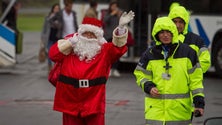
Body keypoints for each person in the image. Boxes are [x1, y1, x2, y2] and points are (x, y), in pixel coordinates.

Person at [49, 11, 135, 125]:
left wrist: (121, 28)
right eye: (86, 33)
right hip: (70, 101)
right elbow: (53, 55)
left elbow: (118, 48)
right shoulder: (70, 47)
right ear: (80, 34)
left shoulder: (103, 51)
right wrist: (69, 43)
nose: (89, 36)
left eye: (92, 34)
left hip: (94, 102)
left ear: (97, 36)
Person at [134, 17, 205, 124]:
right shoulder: (149, 54)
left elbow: (196, 80)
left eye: (168, 31)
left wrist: (199, 103)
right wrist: (149, 86)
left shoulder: (188, 53)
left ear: (173, 32)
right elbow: (140, 74)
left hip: (179, 113)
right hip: (155, 113)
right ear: (156, 34)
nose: (165, 35)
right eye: (161, 32)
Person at [168, 5, 211, 73]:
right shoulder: (164, 39)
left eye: (181, 22)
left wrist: (188, 73)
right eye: (175, 22)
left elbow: (205, 62)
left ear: (186, 23)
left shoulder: (197, 40)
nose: (177, 25)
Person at [103, 1, 123, 77]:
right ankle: (109, 69)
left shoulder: (119, 13)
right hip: (109, 36)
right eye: (113, 6)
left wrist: (119, 16)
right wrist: (112, 14)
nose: (114, 8)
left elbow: (122, 23)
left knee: (116, 54)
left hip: (117, 36)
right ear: (110, 7)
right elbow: (104, 21)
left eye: (115, 6)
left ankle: (115, 69)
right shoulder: (108, 14)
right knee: (109, 55)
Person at [41, 3, 60, 72]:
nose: (57, 10)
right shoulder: (48, 18)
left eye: (58, 9)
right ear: (53, 9)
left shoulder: (60, 18)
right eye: (55, 8)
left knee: (56, 54)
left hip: (57, 38)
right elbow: (44, 29)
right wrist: (42, 39)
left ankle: (56, 67)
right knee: (49, 53)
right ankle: (50, 66)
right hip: (49, 38)